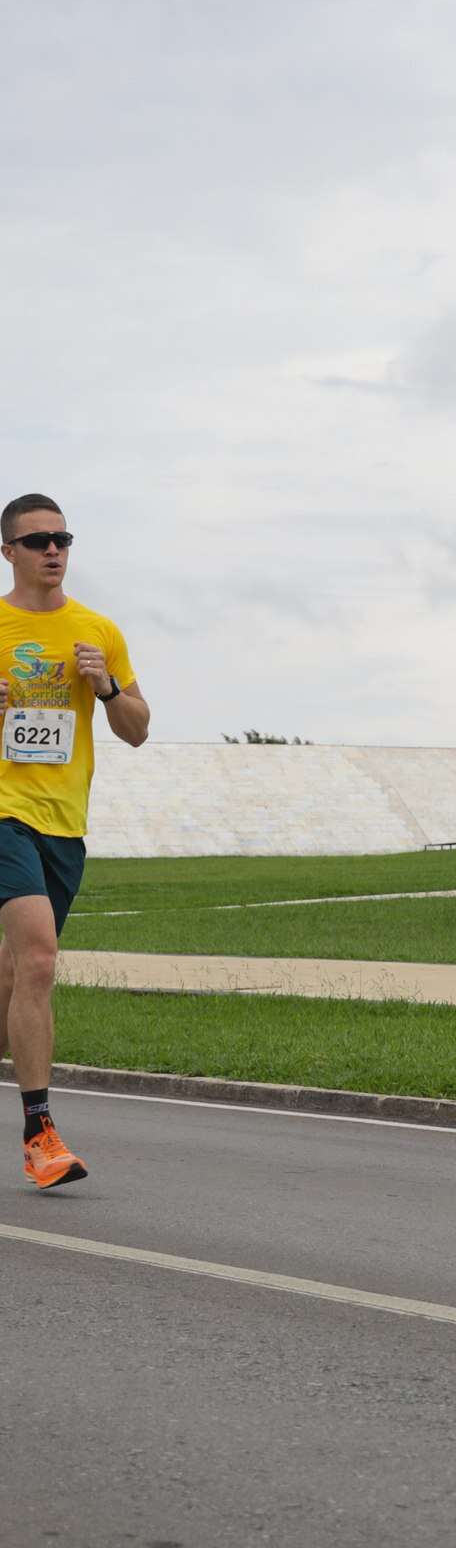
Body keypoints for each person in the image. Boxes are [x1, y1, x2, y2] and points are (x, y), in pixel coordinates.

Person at [0, 494, 149, 1189]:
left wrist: (109, 684)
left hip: (65, 824)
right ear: (9, 553)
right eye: (36, 541)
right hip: (3, 813)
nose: (52, 550)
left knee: (13, 978)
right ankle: (40, 1134)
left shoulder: (98, 630)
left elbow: (137, 728)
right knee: (39, 958)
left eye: (61, 538)